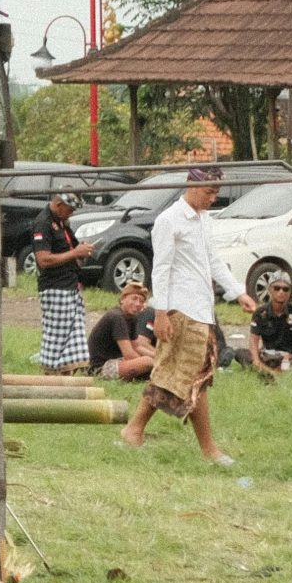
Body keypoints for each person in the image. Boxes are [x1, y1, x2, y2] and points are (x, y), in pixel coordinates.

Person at [119, 165, 257, 462]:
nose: (212, 198)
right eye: (209, 192)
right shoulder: (169, 220)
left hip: (202, 308)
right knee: (185, 375)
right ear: (191, 186)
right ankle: (204, 448)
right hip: (179, 308)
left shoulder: (205, 220)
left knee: (187, 375)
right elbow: (161, 268)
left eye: (216, 193)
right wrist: (161, 313)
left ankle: (136, 430)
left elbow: (213, 261)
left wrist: (238, 292)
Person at [25, 194, 95, 373]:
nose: (71, 214)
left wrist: (80, 250)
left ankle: (66, 377)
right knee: (57, 338)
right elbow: (43, 260)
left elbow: (69, 249)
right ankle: (51, 375)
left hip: (70, 285)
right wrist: (75, 253)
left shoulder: (63, 222)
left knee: (74, 338)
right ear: (58, 204)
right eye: (69, 210)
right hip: (55, 288)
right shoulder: (43, 223)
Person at [86, 281, 158, 381]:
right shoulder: (117, 317)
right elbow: (129, 354)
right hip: (101, 366)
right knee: (148, 362)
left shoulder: (132, 318)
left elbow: (137, 346)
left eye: (141, 301)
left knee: (151, 361)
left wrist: (159, 357)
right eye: (134, 299)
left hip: (118, 360)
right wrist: (147, 362)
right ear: (123, 299)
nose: (138, 304)